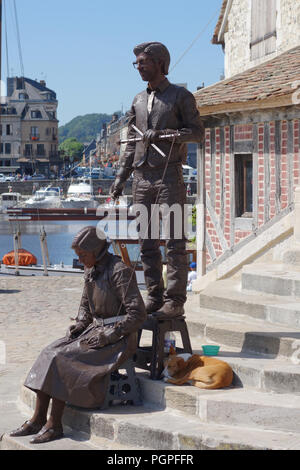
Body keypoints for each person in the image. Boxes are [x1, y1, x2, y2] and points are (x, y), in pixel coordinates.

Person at [9, 226, 146, 444]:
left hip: (118, 339)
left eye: (83, 255)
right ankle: (37, 418)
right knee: (49, 351)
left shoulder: (119, 271)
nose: (80, 259)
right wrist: (80, 324)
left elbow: (138, 313)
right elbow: (85, 306)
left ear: (97, 250)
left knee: (63, 359)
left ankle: (54, 424)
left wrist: (111, 334)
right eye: (78, 255)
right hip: (95, 332)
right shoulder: (90, 269)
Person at [110, 41, 204, 319]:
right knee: (146, 242)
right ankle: (154, 296)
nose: (138, 67)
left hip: (168, 177)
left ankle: (175, 299)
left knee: (175, 240)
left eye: (143, 62)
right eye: (136, 63)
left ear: (160, 63)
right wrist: (120, 179)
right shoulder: (138, 100)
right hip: (141, 179)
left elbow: (196, 132)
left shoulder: (180, 96)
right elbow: (129, 144)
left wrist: (168, 134)